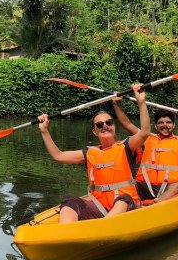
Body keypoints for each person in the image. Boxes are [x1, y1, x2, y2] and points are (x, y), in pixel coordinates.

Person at [37, 83, 150, 223]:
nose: (105, 126)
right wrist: (44, 131)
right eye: (99, 125)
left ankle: (102, 227)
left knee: (124, 199)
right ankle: (65, 232)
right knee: (69, 202)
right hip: (100, 206)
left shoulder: (126, 146)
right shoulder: (89, 153)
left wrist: (141, 102)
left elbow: (145, 133)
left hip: (126, 206)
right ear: (94, 131)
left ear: (114, 126)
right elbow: (58, 155)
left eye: (109, 122)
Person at [112, 99, 178, 202]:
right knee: (128, 183)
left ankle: (157, 203)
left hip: (169, 187)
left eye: (168, 122)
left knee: (175, 185)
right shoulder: (147, 138)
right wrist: (116, 104)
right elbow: (127, 124)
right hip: (145, 185)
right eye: (161, 123)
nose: (165, 125)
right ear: (156, 126)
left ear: (174, 125)